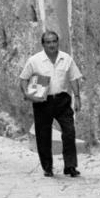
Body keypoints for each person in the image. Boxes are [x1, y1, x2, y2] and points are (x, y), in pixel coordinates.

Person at [19, 31, 82, 178]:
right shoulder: (34, 60)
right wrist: (27, 94)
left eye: (54, 41)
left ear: (58, 42)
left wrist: (77, 97)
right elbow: (23, 78)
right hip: (43, 102)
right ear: (43, 44)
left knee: (69, 132)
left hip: (62, 100)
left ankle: (70, 166)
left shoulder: (66, 59)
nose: (52, 44)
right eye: (48, 42)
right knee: (43, 134)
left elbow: (73, 78)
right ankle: (47, 167)